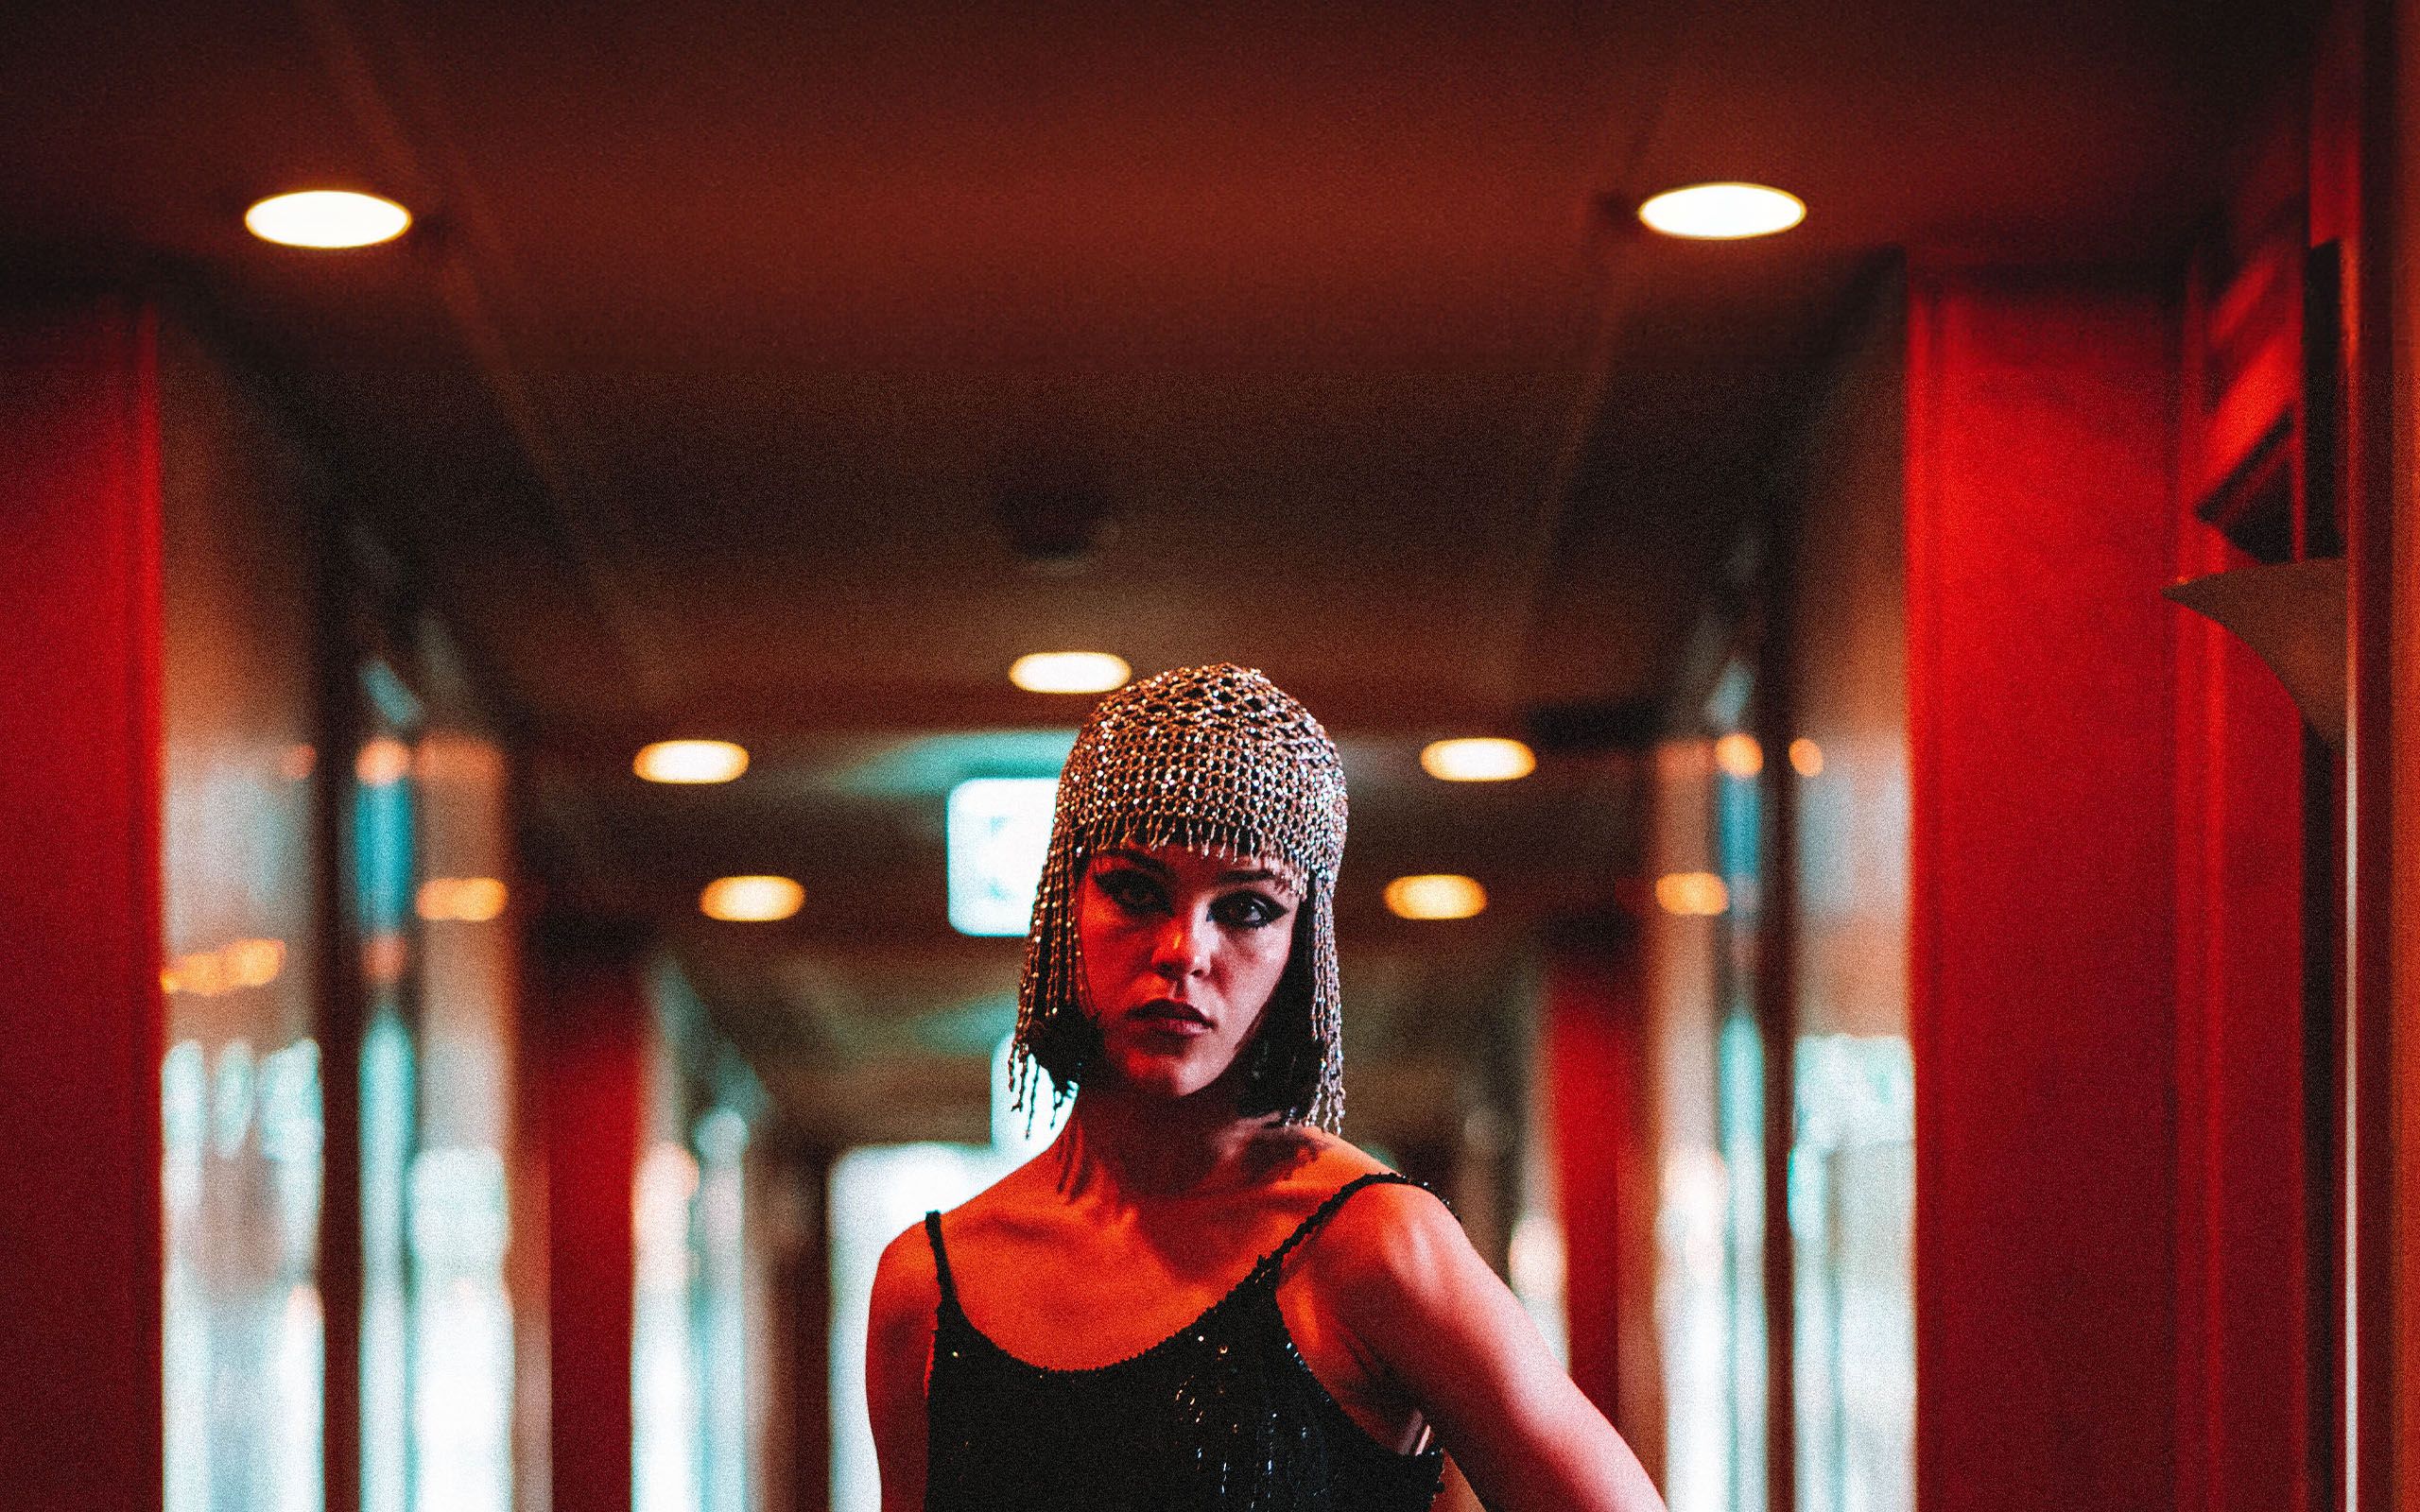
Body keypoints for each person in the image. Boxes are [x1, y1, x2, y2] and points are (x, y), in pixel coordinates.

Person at [866, 663, 1666, 1511]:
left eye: (1245, 908)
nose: (1183, 951)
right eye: (1135, 891)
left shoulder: (1374, 1247)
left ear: (1302, 943)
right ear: (1067, 903)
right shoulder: (926, 1286)